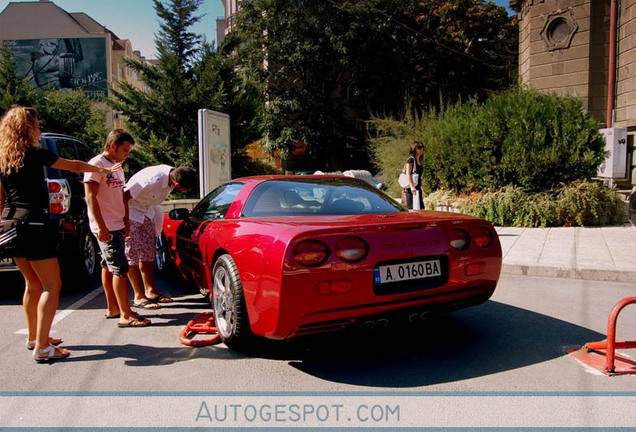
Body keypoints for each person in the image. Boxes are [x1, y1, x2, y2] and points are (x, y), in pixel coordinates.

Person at [0, 106, 122, 362]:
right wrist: (102, 170)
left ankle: (35, 337)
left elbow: (0, 201)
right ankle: (43, 348)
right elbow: (74, 165)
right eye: (35, 125)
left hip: (10, 227)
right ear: (27, 129)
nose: (39, 129)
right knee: (51, 285)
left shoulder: (3, 158)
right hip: (35, 226)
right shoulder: (33, 154)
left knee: (31, 285)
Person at [84, 129, 150, 328]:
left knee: (107, 266)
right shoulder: (96, 165)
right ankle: (125, 314)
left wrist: (126, 220)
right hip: (106, 226)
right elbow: (90, 197)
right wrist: (102, 226)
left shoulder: (117, 166)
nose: (127, 154)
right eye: (125, 150)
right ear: (112, 146)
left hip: (117, 223)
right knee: (120, 269)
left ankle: (114, 308)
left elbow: (122, 196)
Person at [124, 165, 197, 309]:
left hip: (147, 211)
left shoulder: (174, 173)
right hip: (131, 212)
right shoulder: (150, 181)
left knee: (147, 253)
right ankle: (138, 296)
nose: (187, 192)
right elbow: (124, 196)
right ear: (176, 184)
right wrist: (124, 221)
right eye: (186, 189)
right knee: (132, 254)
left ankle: (150, 291)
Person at [404, 141, 425, 210]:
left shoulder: (419, 159)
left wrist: (421, 187)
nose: (421, 149)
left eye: (422, 147)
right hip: (411, 189)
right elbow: (408, 173)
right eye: (419, 147)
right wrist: (412, 186)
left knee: (420, 209)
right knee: (413, 209)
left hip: (417, 188)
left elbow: (417, 176)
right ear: (414, 148)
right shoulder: (411, 159)